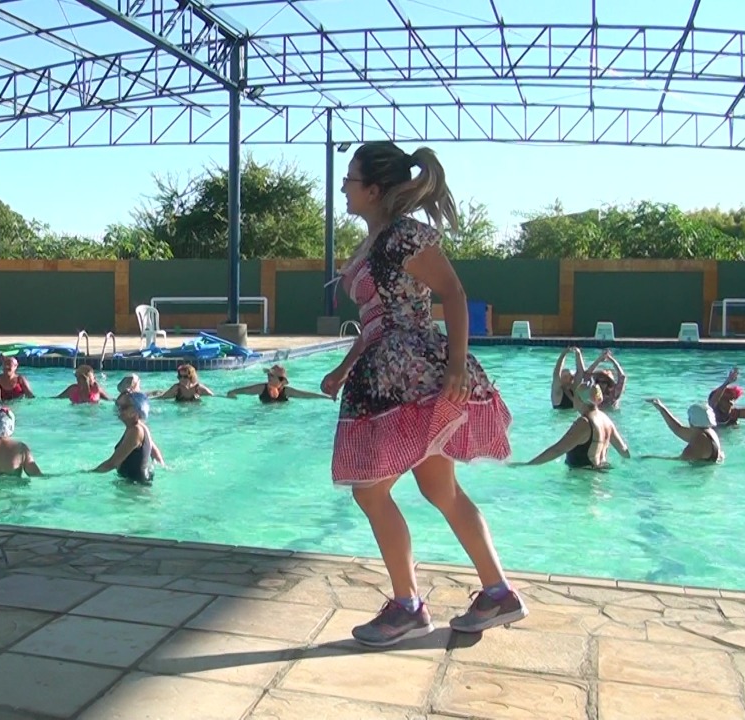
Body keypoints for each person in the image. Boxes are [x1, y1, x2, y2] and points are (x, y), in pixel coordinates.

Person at [318, 142, 518, 647]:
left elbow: (453, 293)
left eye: (350, 178)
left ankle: (409, 606)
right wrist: (344, 367)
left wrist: (455, 365)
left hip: (410, 378)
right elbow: (372, 323)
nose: (343, 186)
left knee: (370, 489)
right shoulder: (374, 242)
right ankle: (496, 593)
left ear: (374, 189)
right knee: (438, 490)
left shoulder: (405, 236)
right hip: (384, 374)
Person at [523, 383, 629, 469]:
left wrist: (527, 465)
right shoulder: (606, 420)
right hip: (599, 478)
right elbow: (623, 450)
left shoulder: (585, 422)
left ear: (580, 400)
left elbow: (558, 449)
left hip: (582, 482)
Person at [93, 392, 163, 483]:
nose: (119, 409)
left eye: (124, 407)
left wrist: (87, 474)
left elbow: (113, 463)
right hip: (137, 484)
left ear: (137, 410)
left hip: (134, 487)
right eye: (118, 405)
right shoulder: (141, 427)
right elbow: (156, 455)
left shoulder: (136, 431)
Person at [645, 399, 723, 463]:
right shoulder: (708, 432)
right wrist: (661, 408)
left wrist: (651, 458)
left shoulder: (700, 439)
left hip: (696, 477)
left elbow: (680, 461)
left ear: (692, 420)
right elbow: (678, 429)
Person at [227, 365, 329, 402]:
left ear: (281, 380)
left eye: (272, 376)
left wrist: (325, 397)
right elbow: (244, 390)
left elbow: (305, 395)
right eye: (268, 375)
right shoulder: (261, 388)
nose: (268, 377)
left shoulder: (287, 391)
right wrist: (232, 392)